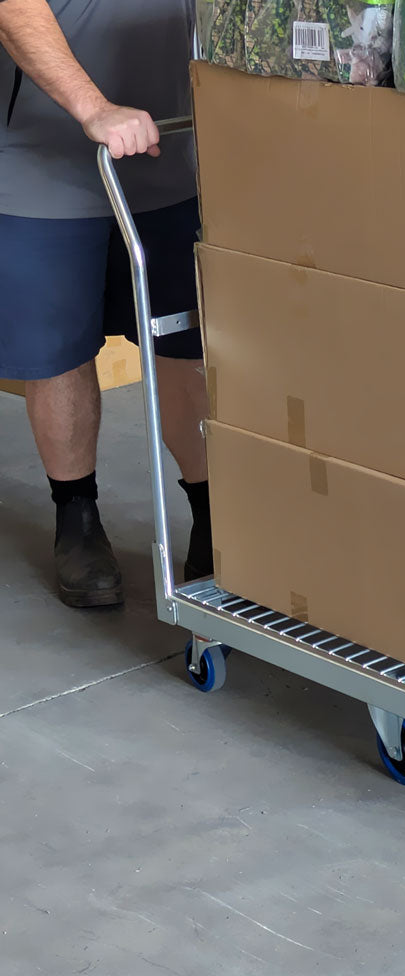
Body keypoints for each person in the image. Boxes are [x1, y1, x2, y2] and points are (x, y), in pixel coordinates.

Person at [0, 0, 212, 607]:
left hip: (173, 148)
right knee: (58, 351)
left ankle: (210, 515)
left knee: (187, 342)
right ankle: (78, 520)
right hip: (44, 161)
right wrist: (93, 107)